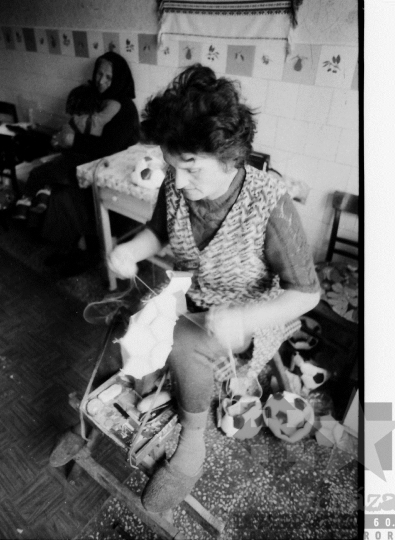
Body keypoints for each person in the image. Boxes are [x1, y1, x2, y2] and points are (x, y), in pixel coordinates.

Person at [107, 64, 321, 513]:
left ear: (229, 156)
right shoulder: (175, 184)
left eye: (190, 168)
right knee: (140, 320)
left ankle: (192, 441)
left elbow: (306, 293)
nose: (178, 181)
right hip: (199, 296)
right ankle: (181, 388)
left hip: (254, 313)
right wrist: (130, 250)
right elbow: (158, 232)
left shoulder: (270, 203)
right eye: (172, 166)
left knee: (185, 341)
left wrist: (244, 318)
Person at [14, 52, 140, 276]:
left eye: (108, 77)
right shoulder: (97, 100)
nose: (101, 81)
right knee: (57, 191)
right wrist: (65, 139)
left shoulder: (124, 108)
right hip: (86, 163)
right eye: (99, 74)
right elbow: (82, 127)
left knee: (65, 195)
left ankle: (84, 253)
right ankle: (70, 248)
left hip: (108, 171)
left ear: (119, 80)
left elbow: (110, 148)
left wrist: (73, 141)